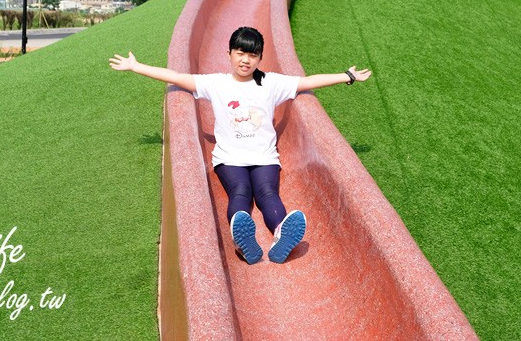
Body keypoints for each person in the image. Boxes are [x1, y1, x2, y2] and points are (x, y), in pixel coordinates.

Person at [109, 26, 372, 265]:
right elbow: (176, 77)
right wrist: (136, 66)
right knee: (241, 193)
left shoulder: (271, 83)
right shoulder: (216, 83)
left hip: (265, 157)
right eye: (240, 53)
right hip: (229, 158)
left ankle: (281, 232)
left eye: (252, 55)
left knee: (268, 193)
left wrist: (347, 76)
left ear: (260, 58)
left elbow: (307, 82)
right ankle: (242, 242)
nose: (246, 60)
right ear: (230, 54)